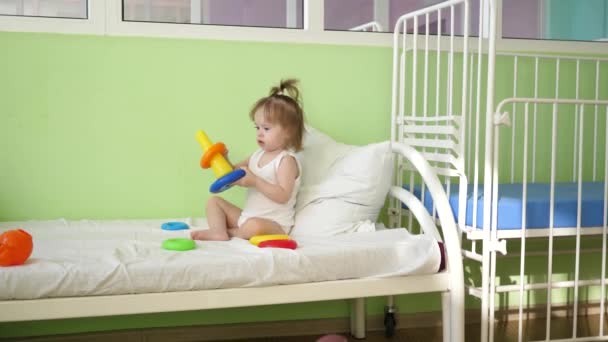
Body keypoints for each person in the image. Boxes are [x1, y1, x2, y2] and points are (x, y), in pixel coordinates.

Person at [190, 79, 305, 241]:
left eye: (266, 128)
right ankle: (218, 232)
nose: (259, 133)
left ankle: (232, 232)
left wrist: (256, 182)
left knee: (253, 226)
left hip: (273, 225)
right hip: (246, 217)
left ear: (288, 132)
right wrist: (224, 160)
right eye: (257, 127)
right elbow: (233, 174)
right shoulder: (256, 155)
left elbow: (283, 195)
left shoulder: (286, 161)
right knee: (214, 202)